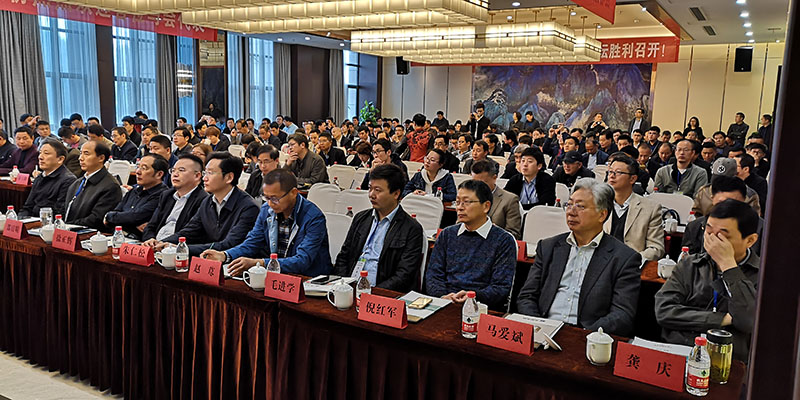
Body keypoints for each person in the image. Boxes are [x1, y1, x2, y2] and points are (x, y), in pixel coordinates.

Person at [516, 179, 642, 336]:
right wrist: (539, 327)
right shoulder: (548, 247)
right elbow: (526, 297)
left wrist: (585, 335)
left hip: (589, 336)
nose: (571, 212)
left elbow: (622, 314)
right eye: (569, 205)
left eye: (580, 206)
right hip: (543, 330)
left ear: (602, 214)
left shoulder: (623, 258)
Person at [655, 199, 759, 362]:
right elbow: (664, 311)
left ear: (750, 240)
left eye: (722, 236)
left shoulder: (762, 274)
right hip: (679, 351)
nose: (711, 240)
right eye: (708, 231)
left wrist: (728, 266)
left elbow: (748, 321)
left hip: (730, 360)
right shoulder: (690, 264)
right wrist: (722, 319)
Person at [201, 168, 331, 276]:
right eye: (266, 197)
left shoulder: (313, 217)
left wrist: (260, 263)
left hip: (308, 278)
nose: (270, 203)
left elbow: (303, 260)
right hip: (276, 275)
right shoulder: (266, 210)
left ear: (293, 193)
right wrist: (225, 255)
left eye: (274, 198)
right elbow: (252, 242)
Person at [425, 180, 517, 310]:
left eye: (467, 202)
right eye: (457, 202)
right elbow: (433, 276)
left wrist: (471, 297)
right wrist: (443, 296)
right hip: (445, 303)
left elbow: (500, 288)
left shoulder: (503, 240)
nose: (460, 207)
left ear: (486, 206)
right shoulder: (447, 234)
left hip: (481, 308)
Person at [333, 164, 424, 291]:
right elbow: (343, 256)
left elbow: (404, 275)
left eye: (378, 190)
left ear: (396, 194)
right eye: (370, 188)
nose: (371, 195)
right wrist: (343, 285)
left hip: (381, 291)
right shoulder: (361, 218)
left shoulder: (411, 228)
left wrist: (372, 292)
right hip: (349, 287)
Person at [150, 152, 259, 255]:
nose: (204, 178)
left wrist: (182, 248)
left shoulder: (248, 207)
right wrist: (161, 243)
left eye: (210, 173)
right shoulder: (207, 201)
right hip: (207, 258)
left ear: (229, 177)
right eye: (205, 172)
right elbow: (190, 231)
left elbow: (229, 244)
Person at [603, 154, 665, 261]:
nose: (612, 176)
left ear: (632, 179)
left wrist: (632, 260)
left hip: (632, 264)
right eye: (610, 172)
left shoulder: (650, 208)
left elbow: (656, 248)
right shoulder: (599, 203)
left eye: (618, 172)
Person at [683, 175, 763, 257]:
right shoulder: (695, 227)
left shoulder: (762, 229)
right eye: (721, 203)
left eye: (733, 203)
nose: (727, 208)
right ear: (712, 199)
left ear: (744, 200)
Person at [141, 154, 209, 242]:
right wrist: (150, 239)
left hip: (176, 246)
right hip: (156, 243)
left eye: (181, 170)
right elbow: (151, 225)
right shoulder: (166, 195)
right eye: (173, 170)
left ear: (197, 176)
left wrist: (162, 243)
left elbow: (190, 233)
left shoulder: (204, 200)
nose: (175, 174)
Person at [104, 154, 168, 238]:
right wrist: (132, 225)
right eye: (138, 167)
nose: (138, 172)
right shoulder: (134, 190)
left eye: (144, 168)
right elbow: (116, 211)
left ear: (159, 174)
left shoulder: (162, 195)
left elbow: (135, 217)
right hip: (118, 237)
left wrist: (110, 217)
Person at [64, 141, 122, 230]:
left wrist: (68, 226)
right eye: (81, 153)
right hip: (69, 230)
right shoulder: (77, 183)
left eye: (86, 154)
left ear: (101, 158)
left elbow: (96, 220)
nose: (80, 158)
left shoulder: (110, 186)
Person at [19, 141, 77, 218]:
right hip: (33, 221)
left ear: (60, 159)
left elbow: (60, 212)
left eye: (46, 153)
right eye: (40, 153)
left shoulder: (68, 180)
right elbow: (28, 207)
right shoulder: (40, 177)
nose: (40, 157)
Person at [691, 158, 761, 217]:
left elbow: (753, 219)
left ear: (735, 176)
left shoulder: (749, 195)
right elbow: (694, 213)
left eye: (724, 180)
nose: (720, 183)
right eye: (717, 179)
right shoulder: (704, 191)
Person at [471, 160, 521, 239]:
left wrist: (495, 232)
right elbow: (459, 224)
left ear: (494, 178)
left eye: (482, 183)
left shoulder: (510, 200)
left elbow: (514, 233)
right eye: (474, 183)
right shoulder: (468, 197)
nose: (478, 187)